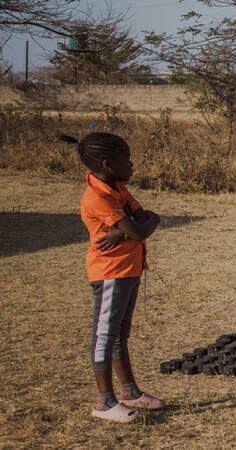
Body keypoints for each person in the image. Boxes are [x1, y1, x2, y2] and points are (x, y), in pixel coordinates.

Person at [66, 132, 166, 423]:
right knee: (104, 334)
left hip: (130, 268)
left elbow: (145, 216)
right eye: (128, 160)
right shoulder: (96, 197)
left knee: (121, 332)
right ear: (109, 164)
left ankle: (129, 391)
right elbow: (140, 228)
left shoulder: (118, 188)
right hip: (110, 273)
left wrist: (129, 227)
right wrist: (136, 226)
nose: (133, 165)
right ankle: (105, 401)